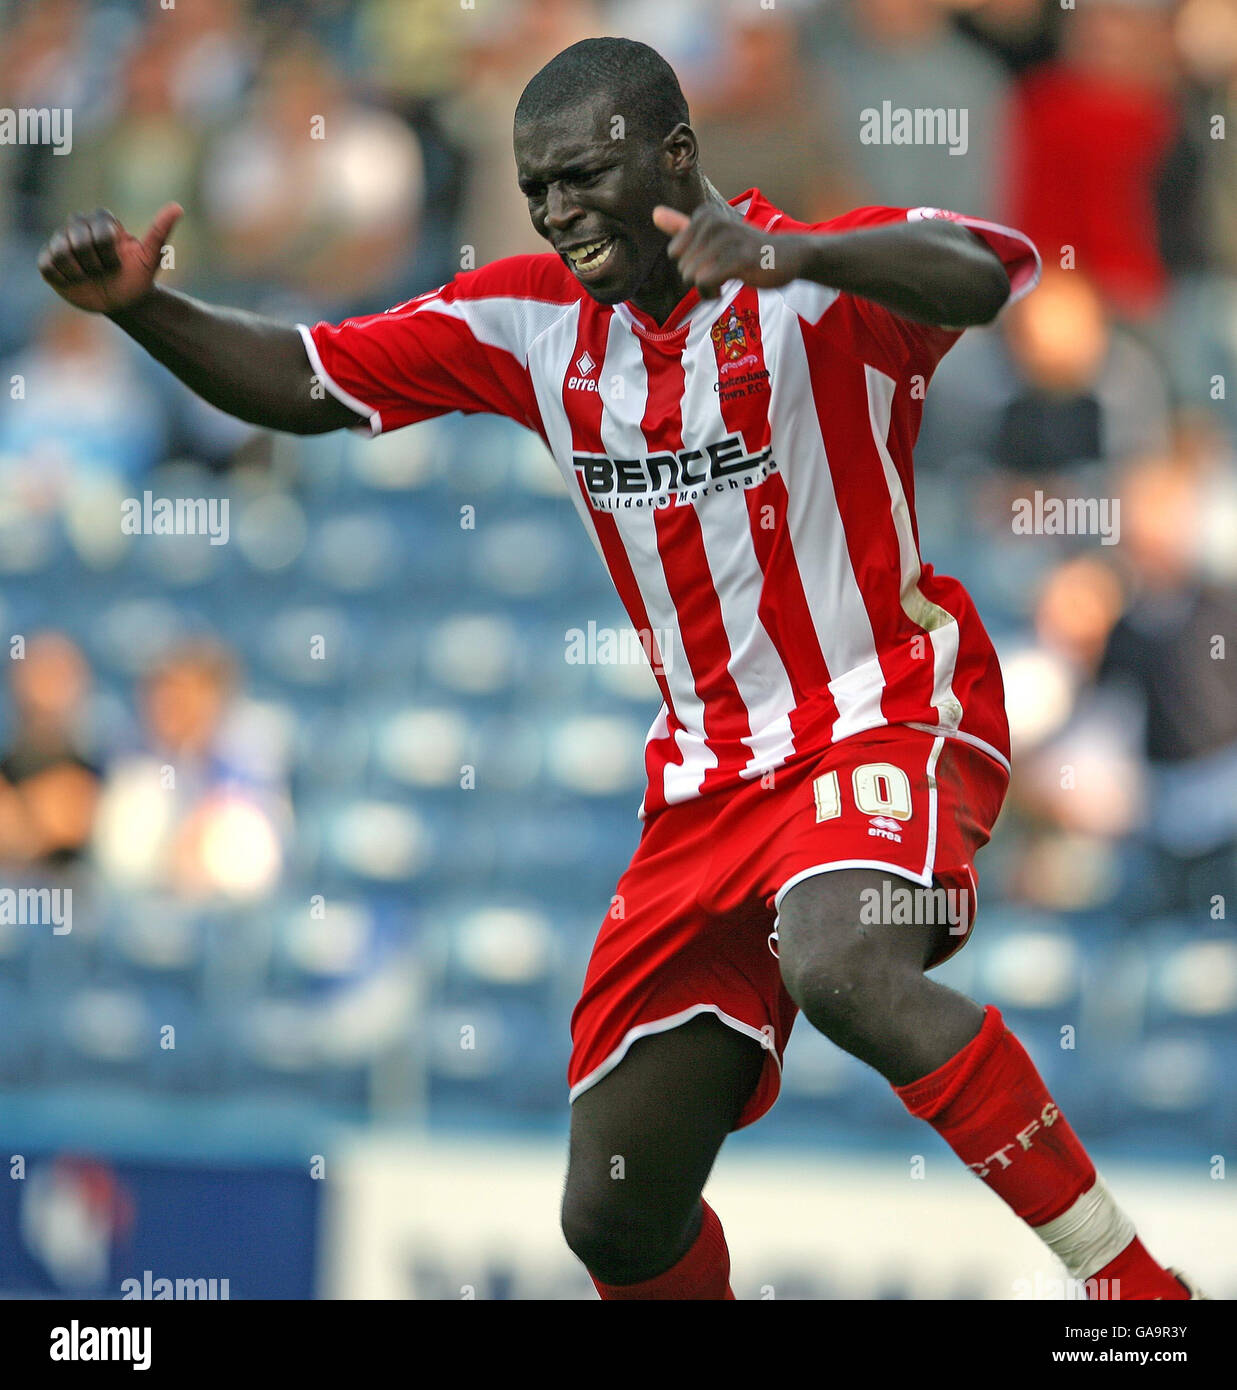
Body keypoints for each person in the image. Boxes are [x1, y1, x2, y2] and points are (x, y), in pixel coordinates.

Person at [36, 36, 1201, 1302]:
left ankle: (1130, 1286)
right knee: (614, 1210)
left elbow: (978, 275)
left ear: (675, 156)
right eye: (537, 190)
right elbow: (311, 381)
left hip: (883, 715)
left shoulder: (813, 278)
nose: (557, 211)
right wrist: (146, 310)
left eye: (582, 176)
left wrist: (793, 253)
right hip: (707, 783)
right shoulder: (529, 320)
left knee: (843, 959)